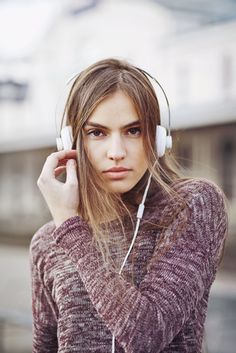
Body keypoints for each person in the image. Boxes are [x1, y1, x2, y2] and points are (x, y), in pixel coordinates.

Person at [30, 58, 228, 353]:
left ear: (158, 139)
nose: (116, 152)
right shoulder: (46, 243)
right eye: (96, 133)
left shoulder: (192, 205)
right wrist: (68, 226)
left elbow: (147, 335)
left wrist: (72, 231)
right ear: (70, 142)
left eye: (133, 130)